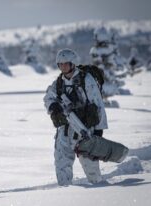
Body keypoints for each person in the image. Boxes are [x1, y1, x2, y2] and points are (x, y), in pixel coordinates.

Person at [43, 49, 108, 186]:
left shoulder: (86, 80)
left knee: (91, 167)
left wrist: (99, 130)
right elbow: (48, 97)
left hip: (84, 131)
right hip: (65, 131)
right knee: (61, 164)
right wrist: (53, 105)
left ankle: (100, 192)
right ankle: (65, 193)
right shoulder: (59, 82)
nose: (62, 67)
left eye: (65, 64)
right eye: (60, 64)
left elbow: (98, 105)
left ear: (73, 63)